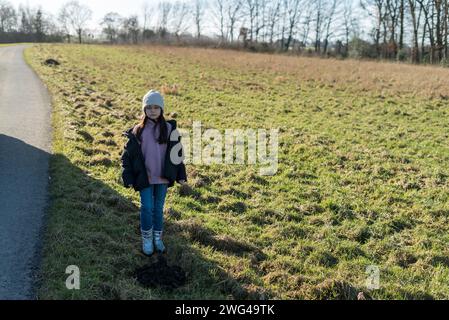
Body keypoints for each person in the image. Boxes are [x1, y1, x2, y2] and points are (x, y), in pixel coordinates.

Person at [120, 89, 187, 256]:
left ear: (162, 109)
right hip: (145, 177)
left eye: (156, 107)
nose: (152, 110)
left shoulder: (170, 129)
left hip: (163, 177)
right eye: (149, 107)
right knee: (147, 207)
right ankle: (147, 239)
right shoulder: (137, 130)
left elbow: (177, 154)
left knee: (158, 208)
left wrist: (181, 175)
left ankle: (158, 238)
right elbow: (128, 157)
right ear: (144, 109)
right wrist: (128, 177)